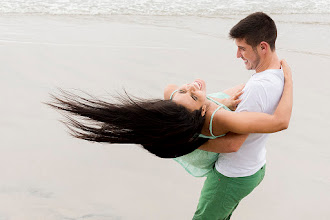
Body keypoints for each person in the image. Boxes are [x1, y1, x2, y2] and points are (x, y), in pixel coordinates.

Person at [191, 12, 290, 220]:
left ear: (263, 47)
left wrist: (191, 143)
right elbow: (240, 92)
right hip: (254, 166)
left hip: (231, 174)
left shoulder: (259, 88)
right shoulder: (279, 73)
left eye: (242, 49)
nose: (238, 55)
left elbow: (233, 144)